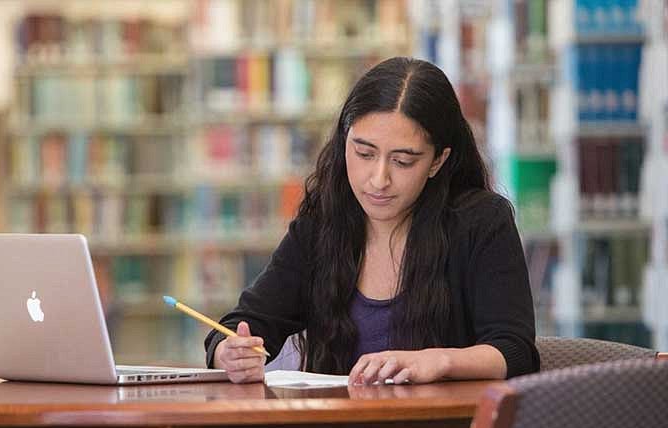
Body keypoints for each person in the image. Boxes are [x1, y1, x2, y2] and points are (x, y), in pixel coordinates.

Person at [204, 57, 540, 384]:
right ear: (344, 141)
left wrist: (438, 360)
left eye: (403, 161)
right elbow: (245, 323)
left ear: (438, 161)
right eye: (364, 154)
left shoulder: (480, 222)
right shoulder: (323, 222)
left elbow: (515, 351)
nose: (378, 179)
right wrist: (230, 352)